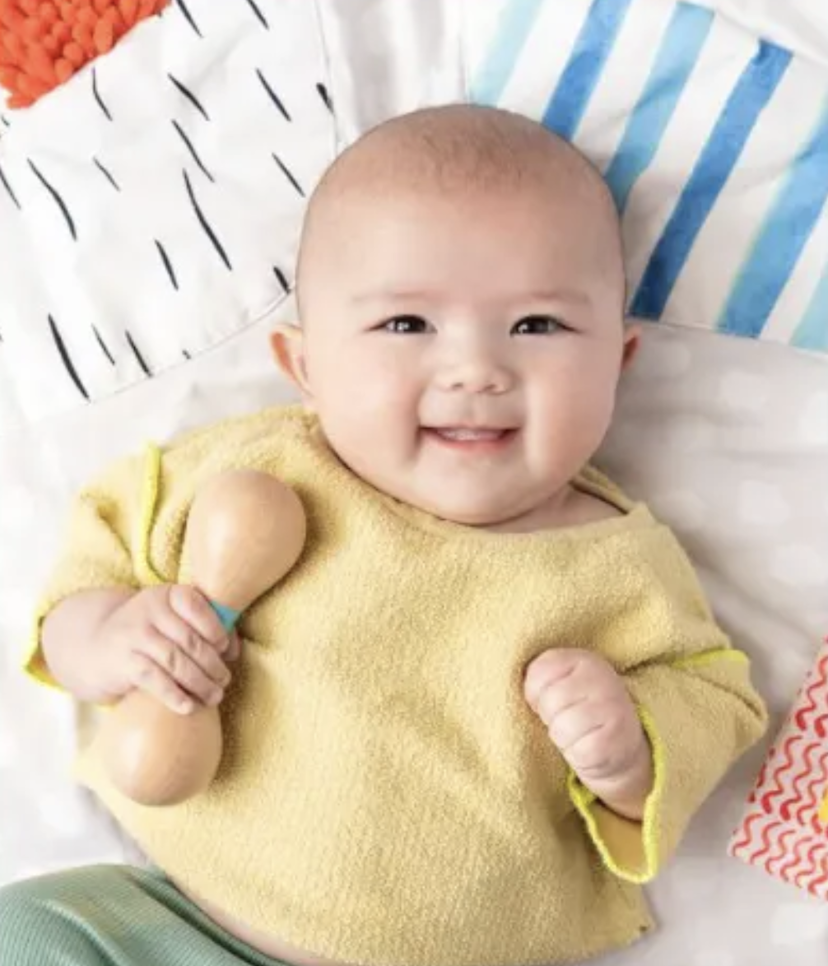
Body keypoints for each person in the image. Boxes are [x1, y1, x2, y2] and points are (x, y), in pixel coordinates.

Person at [0, 105, 766, 966]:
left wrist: (631, 746)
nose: (476, 368)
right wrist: (110, 635)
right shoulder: (262, 469)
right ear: (306, 367)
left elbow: (717, 696)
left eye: (538, 326)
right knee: (25, 929)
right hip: (177, 923)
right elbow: (92, 558)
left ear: (617, 363)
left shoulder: (620, 564)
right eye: (408, 325)